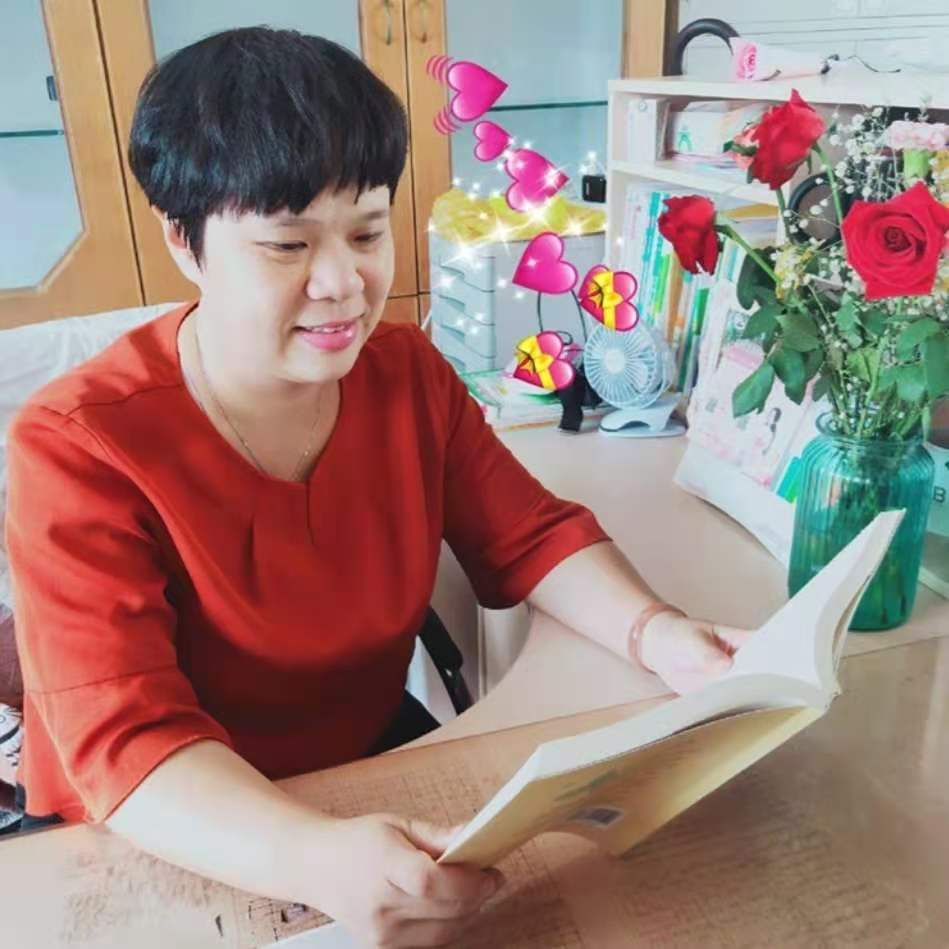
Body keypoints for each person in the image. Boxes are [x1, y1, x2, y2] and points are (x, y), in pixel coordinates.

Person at [5, 28, 750, 948]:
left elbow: (529, 535)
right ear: (182, 240)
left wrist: (660, 634)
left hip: (356, 763)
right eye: (286, 244)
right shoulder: (77, 442)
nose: (343, 283)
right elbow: (126, 740)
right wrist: (311, 856)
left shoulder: (403, 371)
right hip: (161, 822)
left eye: (366, 231)